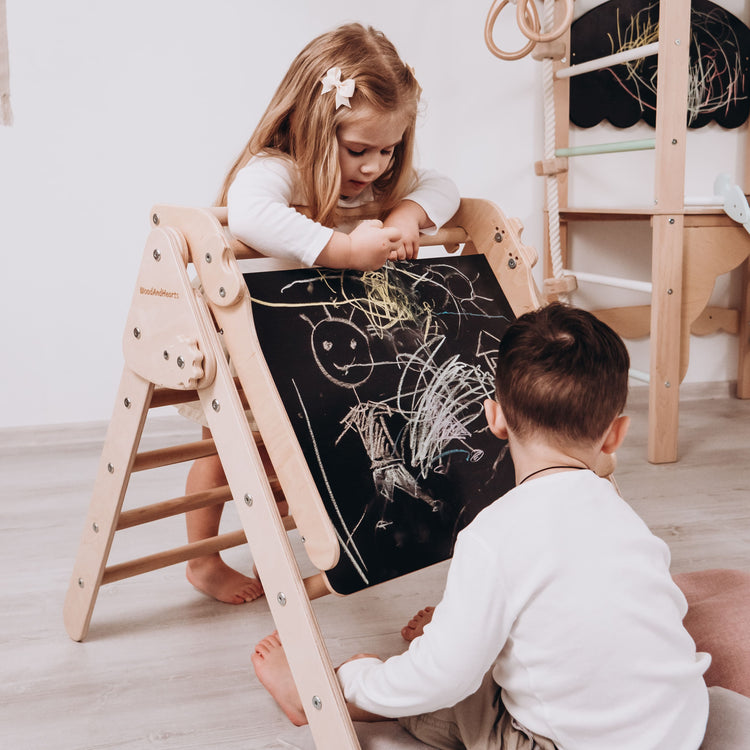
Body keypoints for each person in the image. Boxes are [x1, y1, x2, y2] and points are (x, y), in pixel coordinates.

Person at [251, 303, 711, 749]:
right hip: (680, 726)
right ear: (616, 433)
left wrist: (356, 679)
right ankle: (457, 631)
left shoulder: (493, 536)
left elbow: (440, 681)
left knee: (444, 690)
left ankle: (312, 697)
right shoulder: (622, 517)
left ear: (495, 418)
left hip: (562, 742)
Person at [182, 23, 460, 604]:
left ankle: (307, 545)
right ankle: (202, 559)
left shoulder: (378, 184)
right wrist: (344, 250)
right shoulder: (280, 169)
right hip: (248, 336)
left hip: (314, 350)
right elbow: (249, 212)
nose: (374, 167)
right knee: (225, 456)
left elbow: (443, 187)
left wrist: (408, 215)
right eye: (359, 149)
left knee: (305, 454)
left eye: (388, 150)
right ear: (311, 124)